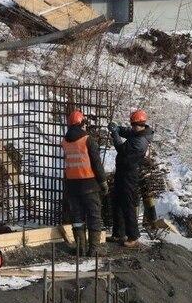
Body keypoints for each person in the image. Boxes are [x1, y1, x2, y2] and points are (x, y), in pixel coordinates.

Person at [62, 110, 109, 257]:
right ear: (82, 124)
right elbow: (96, 163)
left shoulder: (64, 141)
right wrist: (103, 182)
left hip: (72, 186)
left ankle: (80, 249)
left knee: (77, 219)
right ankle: (94, 250)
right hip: (89, 185)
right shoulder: (88, 140)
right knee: (94, 217)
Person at [109, 109, 153, 248]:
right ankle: (118, 233)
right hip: (122, 172)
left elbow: (121, 148)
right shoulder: (138, 132)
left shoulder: (140, 142)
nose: (132, 127)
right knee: (117, 202)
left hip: (129, 174)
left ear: (140, 124)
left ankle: (133, 236)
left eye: (134, 125)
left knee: (127, 204)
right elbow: (127, 131)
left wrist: (115, 133)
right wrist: (118, 128)